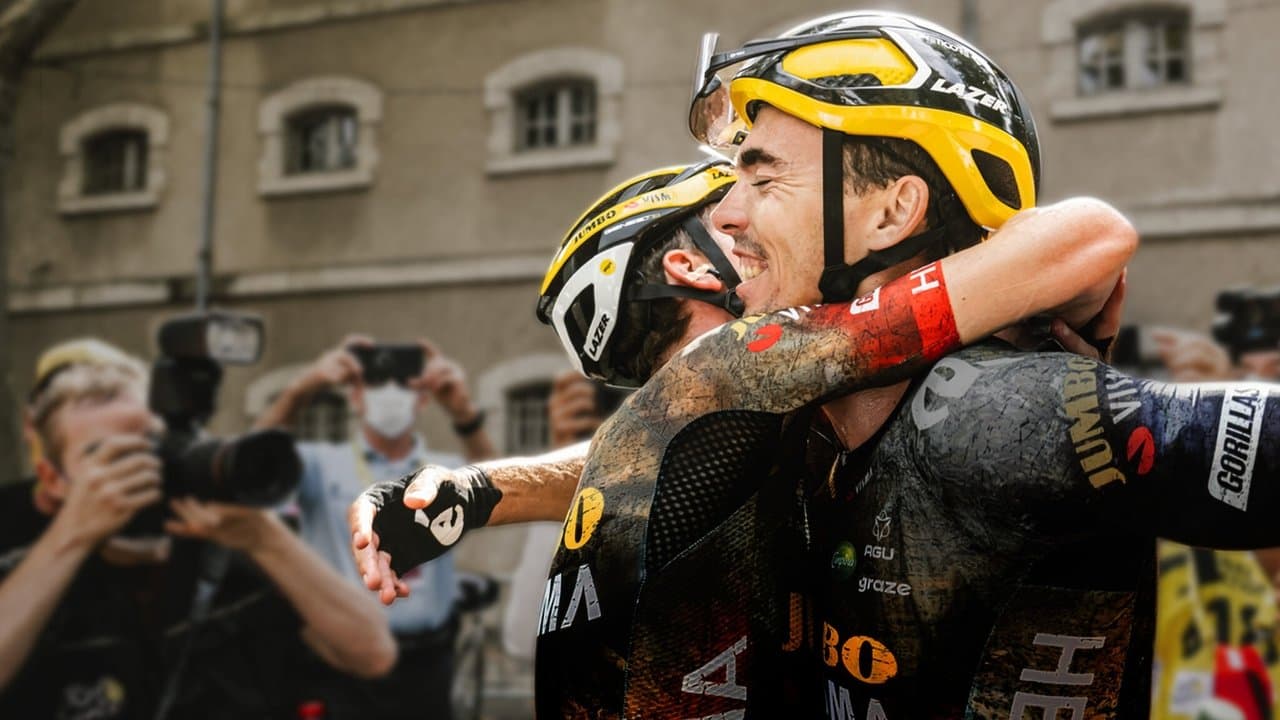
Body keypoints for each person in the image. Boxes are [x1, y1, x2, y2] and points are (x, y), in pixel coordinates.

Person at [350, 146, 1137, 717]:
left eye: (762, 188)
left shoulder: (785, 362)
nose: (748, 217)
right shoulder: (762, 383)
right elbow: (674, 443)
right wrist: (479, 491)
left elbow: (1087, 240)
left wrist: (478, 492)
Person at [0, 338, 395, 719]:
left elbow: (372, 654)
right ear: (52, 479)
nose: (144, 464)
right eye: (107, 454)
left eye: (155, 442)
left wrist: (266, 539)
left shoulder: (242, 555)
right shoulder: (32, 574)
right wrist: (72, 536)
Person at [254, 335, 495, 718]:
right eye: (377, 383)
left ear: (423, 399)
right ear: (355, 397)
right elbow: (250, 464)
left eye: (403, 384)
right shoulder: (320, 464)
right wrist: (303, 389)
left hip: (429, 663)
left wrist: (463, 411)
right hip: (342, 667)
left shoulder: (442, 468)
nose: (390, 394)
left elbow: (504, 488)